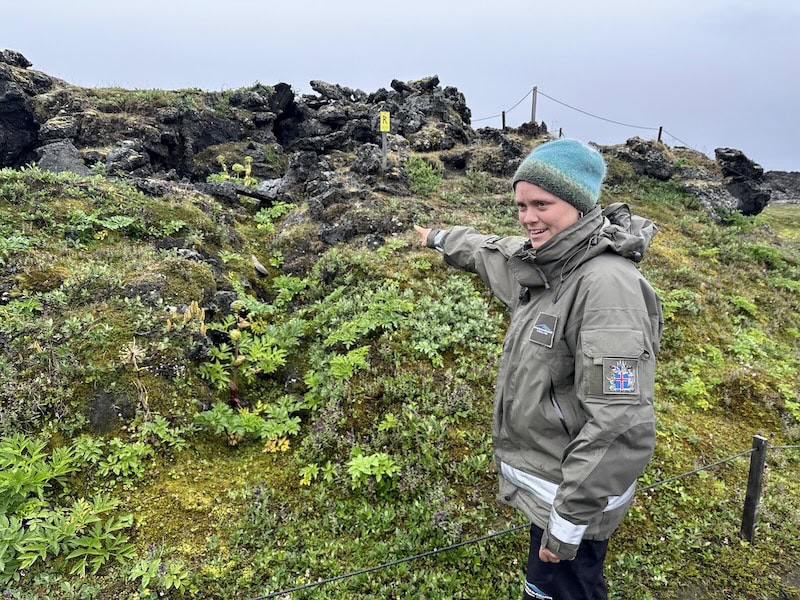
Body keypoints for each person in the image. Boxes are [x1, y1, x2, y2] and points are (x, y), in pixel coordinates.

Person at [414, 138, 662, 600]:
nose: (528, 217)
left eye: (542, 204)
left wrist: (567, 524)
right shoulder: (547, 266)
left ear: (578, 203)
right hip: (552, 491)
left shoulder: (606, 288)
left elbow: (620, 421)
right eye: (521, 205)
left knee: (563, 591)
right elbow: (488, 252)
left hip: (572, 503)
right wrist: (438, 238)